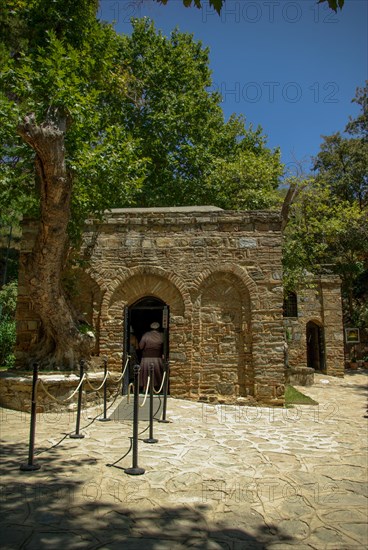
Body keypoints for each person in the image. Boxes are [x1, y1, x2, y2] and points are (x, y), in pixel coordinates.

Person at [139, 321, 164, 391]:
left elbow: (141, 346)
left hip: (146, 358)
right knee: (157, 372)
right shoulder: (162, 335)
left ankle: (145, 387)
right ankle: (159, 387)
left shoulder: (146, 335)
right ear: (159, 328)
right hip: (157, 358)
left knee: (146, 372)